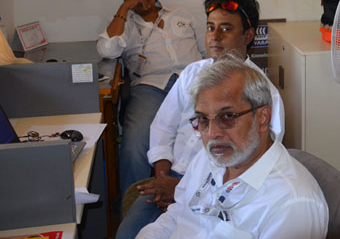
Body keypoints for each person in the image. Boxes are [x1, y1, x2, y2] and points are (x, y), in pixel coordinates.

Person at [115, 0, 285, 238]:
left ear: (248, 35)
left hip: (220, 192)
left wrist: (184, 189)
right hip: (171, 177)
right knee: (127, 234)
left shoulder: (264, 95)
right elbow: (163, 127)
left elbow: (255, 169)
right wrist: (163, 178)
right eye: (210, 27)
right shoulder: (192, 74)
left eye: (226, 29)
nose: (215, 36)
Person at [136, 55, 328, 238]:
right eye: (203, 119)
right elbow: (176, 216)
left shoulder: (292, 204)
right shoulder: (208, 157)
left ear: (262, 118)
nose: (213, 134)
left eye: (227, 116)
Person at [97, 0, 204, 195]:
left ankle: (193, 196)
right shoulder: (124, 22)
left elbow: (208, 49)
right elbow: (107, 50)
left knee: (203, 133)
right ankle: (132, 203)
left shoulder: (181, 14)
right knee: (134, 143)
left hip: (192, 82)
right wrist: (124, 9)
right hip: (149, 87)